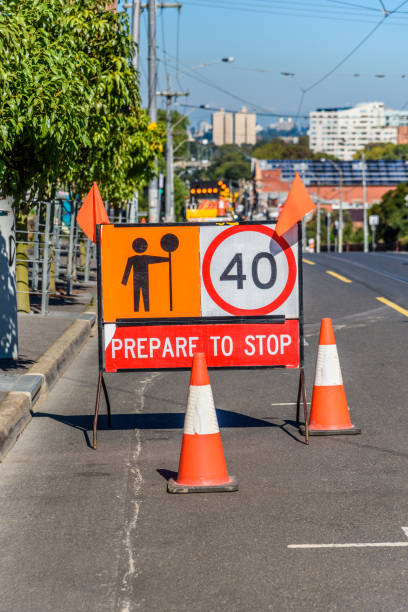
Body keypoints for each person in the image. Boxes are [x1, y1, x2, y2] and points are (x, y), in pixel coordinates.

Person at [122, 238, 169, 312]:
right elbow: (127, 270)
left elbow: (156, 259)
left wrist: (167, 259)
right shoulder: (135, 258)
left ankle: (145, 310)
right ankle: (138, 310)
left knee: (144, 295)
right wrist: (124, 281)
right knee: (138, 295)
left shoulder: (140, 258)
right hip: (138, 277)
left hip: (142, 277)